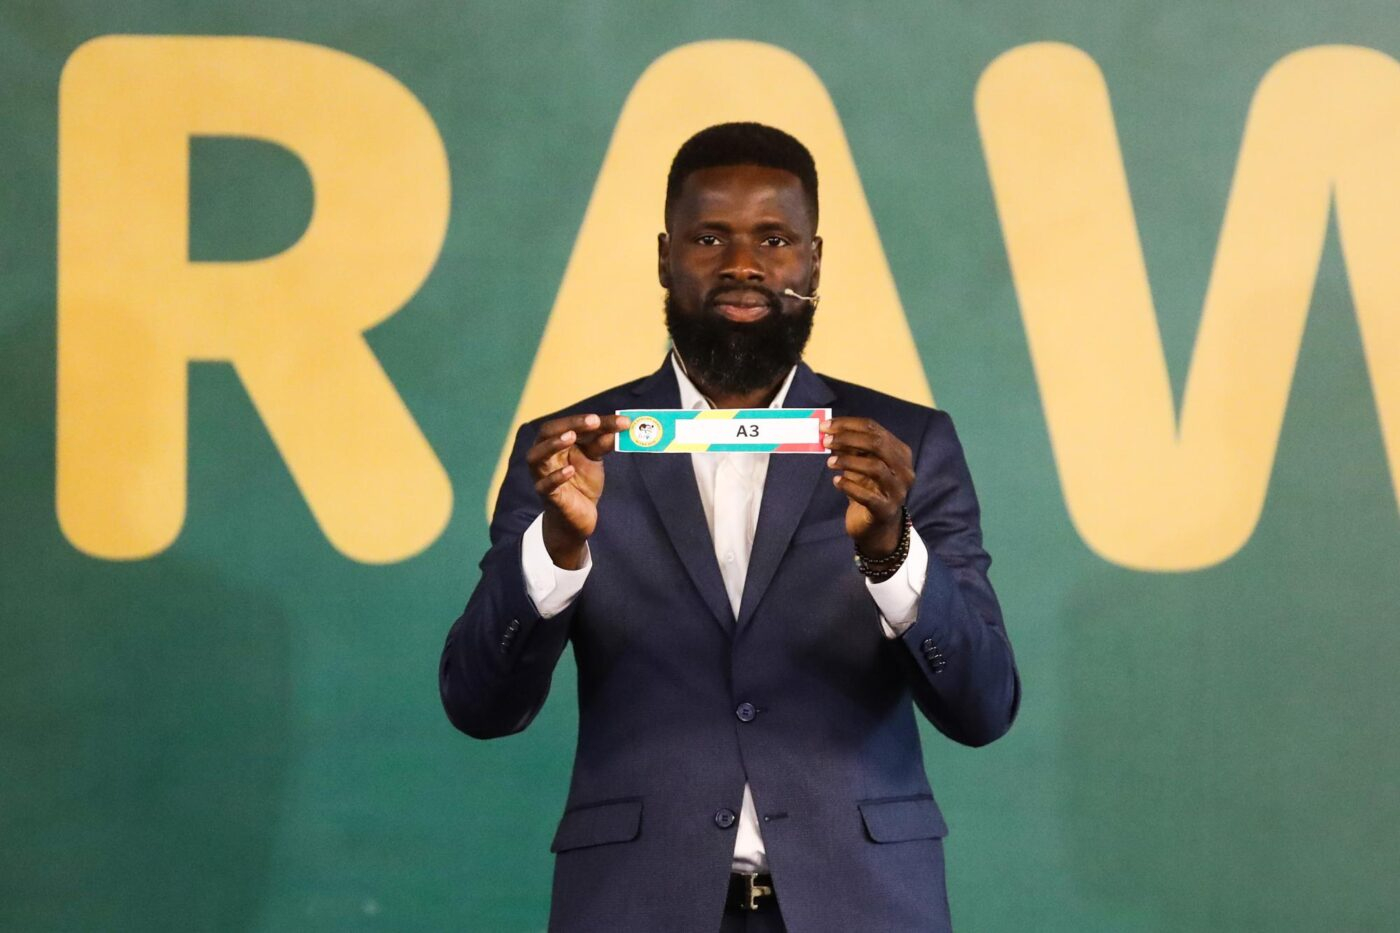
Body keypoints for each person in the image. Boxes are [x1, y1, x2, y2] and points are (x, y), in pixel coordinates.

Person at [440, 122, 1020, 933]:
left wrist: (892, 554)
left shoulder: (906, 445)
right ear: (664, 257)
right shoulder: (574, 451)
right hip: (636, 907)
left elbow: (984, 707)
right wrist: (557, 551)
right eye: (710, 237)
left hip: (864, 904)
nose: (743, 264)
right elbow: (478, 703)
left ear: (814, 260)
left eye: (774, 239)